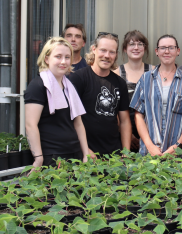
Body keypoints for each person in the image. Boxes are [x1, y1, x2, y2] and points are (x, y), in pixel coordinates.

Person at [24, 37, 90, 167]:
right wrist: (38, 158)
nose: (63, 61)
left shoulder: (69, 86)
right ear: (47, 59)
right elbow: (30, 125)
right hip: (52, 157)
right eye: (58, 56)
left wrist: (85, 153)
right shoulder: (37, 86)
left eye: (67, 57)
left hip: (74, 154)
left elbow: (78, 124)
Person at [130, 35, 182, 157]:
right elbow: (138, 115)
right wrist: (150, 146)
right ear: (157, 51)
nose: (166, 51)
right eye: (163, 48)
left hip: (178, 155)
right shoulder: (146, 79)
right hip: (149, 154)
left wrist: (177, 146)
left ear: (178, 51)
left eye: (171, 47)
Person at [69, 32, 131, 156]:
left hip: (114, 155)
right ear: (94, 50)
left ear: (116, 55)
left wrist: (126, 153)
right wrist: (85, 150)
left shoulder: (120, 83)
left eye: (112, 52)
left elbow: (124, 121)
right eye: (103, 50)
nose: (107, 56)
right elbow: (68, 119)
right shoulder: (78, 79)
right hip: (85, 154)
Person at [115, 30, 154, 153]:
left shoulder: (154, 72)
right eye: (132, 44)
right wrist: (126, 133)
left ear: (145, 48)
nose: (136, 48)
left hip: (151, 134)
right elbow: (113, 108)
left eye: (140, 44)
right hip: (124, 133)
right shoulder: (116, 73)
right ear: (125, 49)